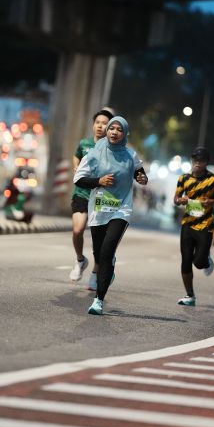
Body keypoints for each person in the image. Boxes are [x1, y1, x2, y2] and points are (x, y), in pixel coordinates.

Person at [74, 116, 148, 315]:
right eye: (111, 128)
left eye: (119, 129)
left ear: (125, 134)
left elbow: (140, 174)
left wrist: (142, 178)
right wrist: (99, 181)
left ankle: (98, 300)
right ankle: (108, 266)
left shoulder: (130, 155)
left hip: (121, 209)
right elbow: (78, 179)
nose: (114, 132)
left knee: (107, 251)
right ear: (107, 131)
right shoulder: (94, 153)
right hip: (99, 209)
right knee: (99, 254)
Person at [174, 147, 214, 306]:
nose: (197, 163)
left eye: (201, 160)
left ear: (206, 162)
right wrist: (180, 200)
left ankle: (206, 260)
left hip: (206, 225)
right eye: (195, 160)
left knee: (198, 262)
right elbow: (176, 199)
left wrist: (213, 201)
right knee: (186, 260)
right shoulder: (183, 178)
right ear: (192, 161)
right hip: (187, 224)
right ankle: (190, 295)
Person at [69, 109, 113, 288]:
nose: (100, 126)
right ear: (93, 125)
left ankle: (96, 271)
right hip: (82, 192)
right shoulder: (85, 143)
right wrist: (76, 166)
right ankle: (80, 260)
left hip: (102, 196)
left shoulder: (112, 148)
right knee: (77, 230)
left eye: (105, 123)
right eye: (97, 122)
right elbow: (76, 155)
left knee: (99, 239)